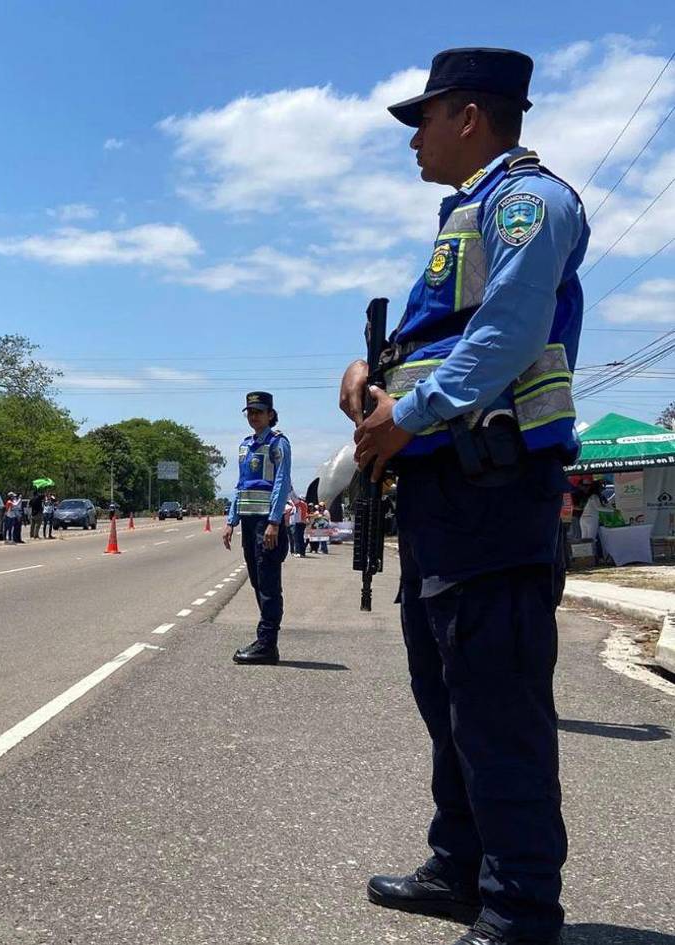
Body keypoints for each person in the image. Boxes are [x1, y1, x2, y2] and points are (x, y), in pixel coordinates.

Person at [343, 48, 588, 945]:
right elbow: (445, 335)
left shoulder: (527, 201)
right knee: (444, 692)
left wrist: (407, 414)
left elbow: (510, 330)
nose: (415, 140)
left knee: (496, 701)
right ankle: (461, 865)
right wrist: (372, 373)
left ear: (471, 117)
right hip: (446, 490)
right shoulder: (470, 213)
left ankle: (521, 906)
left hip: (495, 487)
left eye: (426, 120)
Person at [222, 391, 291, 665]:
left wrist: (274, 521)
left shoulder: (278, 443)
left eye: (259, 412)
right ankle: (265, 640)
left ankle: (267, 642)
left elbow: (282, 482)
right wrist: (231, 520)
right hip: (249, 522)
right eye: (250, 412)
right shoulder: (245, 445)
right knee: (257, 581)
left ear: (271, 414)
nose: (254, 416)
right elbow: (241, 486)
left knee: (269, 585)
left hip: (266, 523)